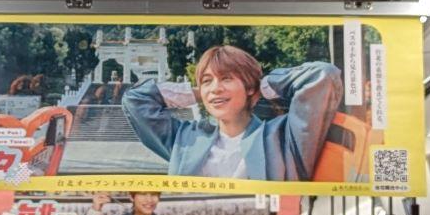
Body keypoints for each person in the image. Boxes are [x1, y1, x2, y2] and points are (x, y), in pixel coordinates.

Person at [125, 43, 341, 182]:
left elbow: (324, 75)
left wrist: (263, 86)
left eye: (226, 78)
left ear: (249, 87)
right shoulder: (184, 139)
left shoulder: (283, 137)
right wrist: (202, 93)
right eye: (207, 80)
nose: (215, 87)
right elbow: (135, 100)